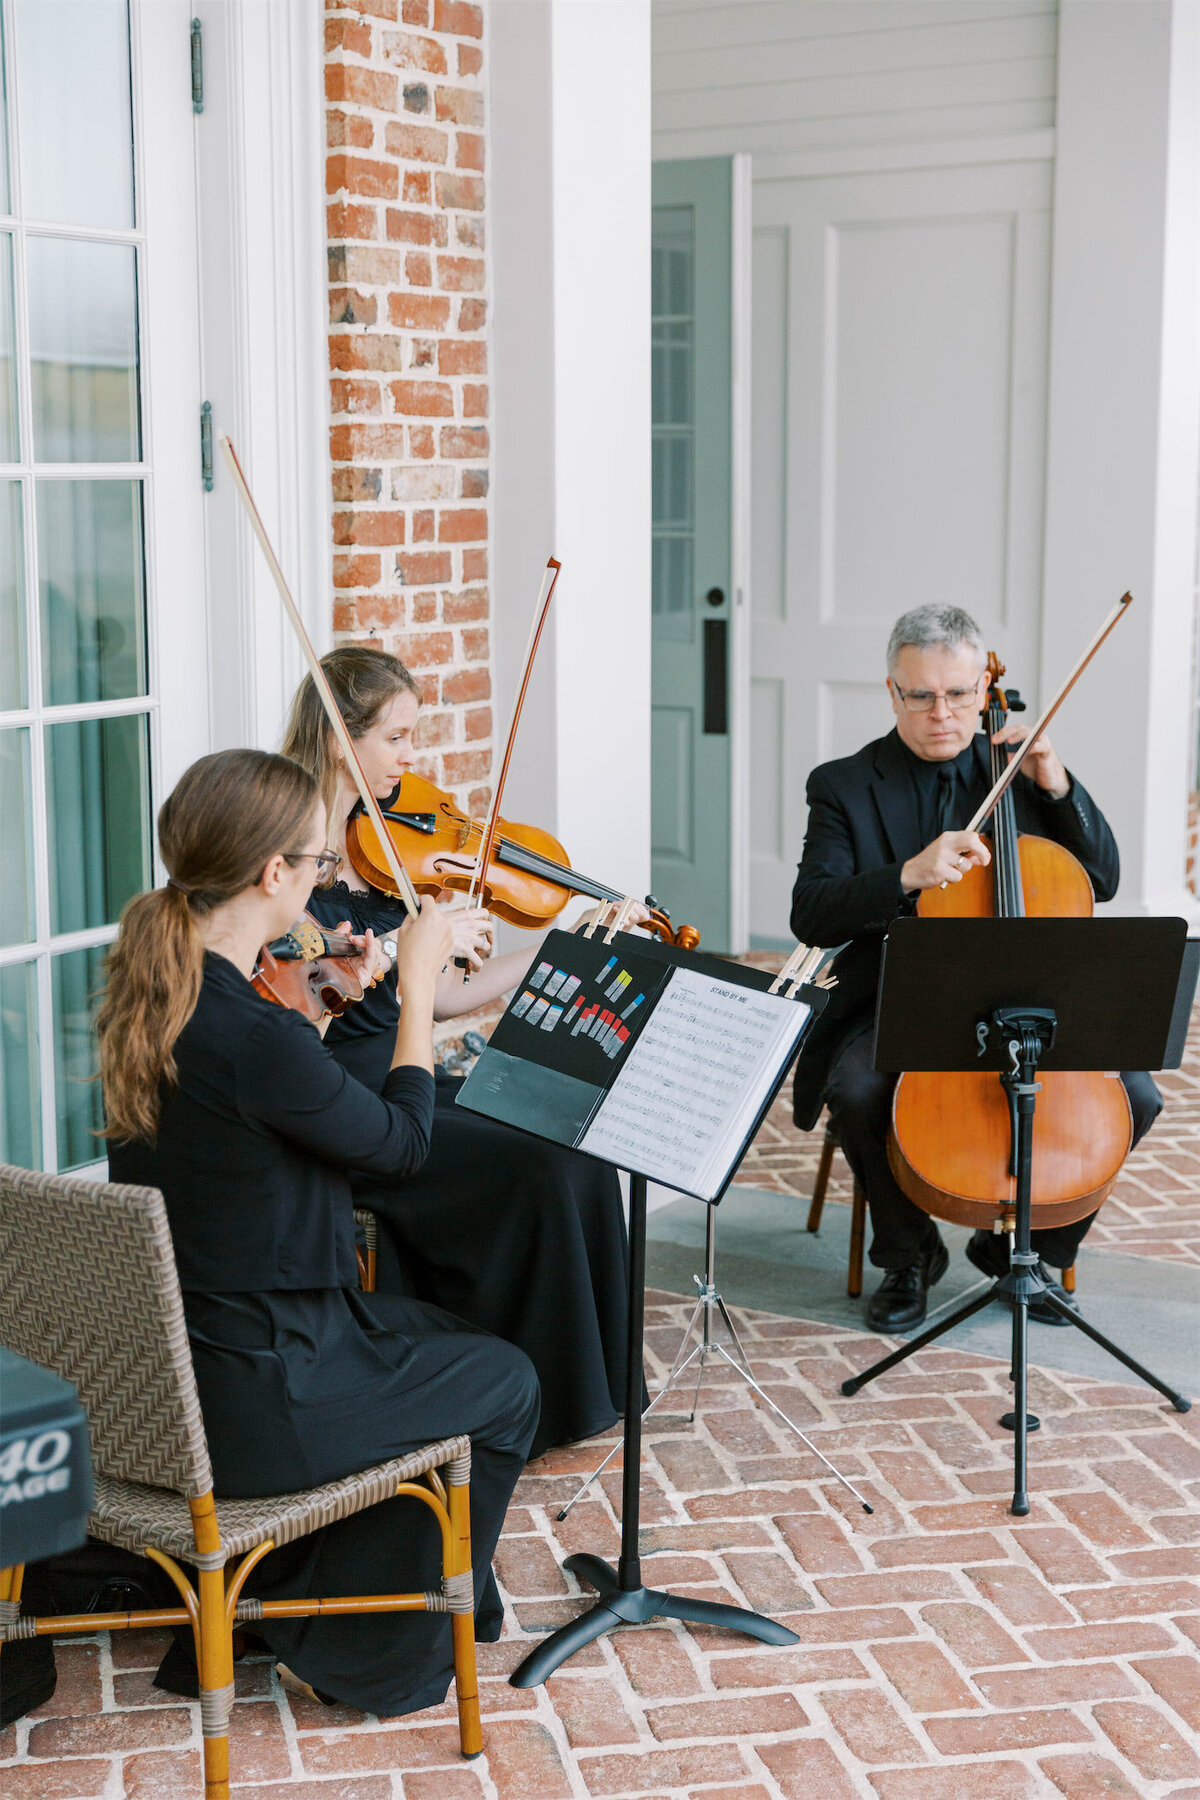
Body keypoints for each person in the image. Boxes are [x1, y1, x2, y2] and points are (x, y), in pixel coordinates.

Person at [98, 748, 539, 1715]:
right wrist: (416, 986)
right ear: (271, 877)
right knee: (507, 1384)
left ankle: (298, 1592)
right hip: (257, 1399)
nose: (326, 883)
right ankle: (366, 1644)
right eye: (315, 866)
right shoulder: (259, 1038)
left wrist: (334, 997)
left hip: (168, 1376)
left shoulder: (158, 989)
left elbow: (271, 1120)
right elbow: (402, 1148)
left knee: (445, 1338)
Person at [282, 646, 641, 1458]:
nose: (414, 760)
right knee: (537, 1169)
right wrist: (406, 958)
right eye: (398, 739)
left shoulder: (381, 837)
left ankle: (595, 1386)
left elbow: (440, 996)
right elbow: (312, 1011)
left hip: (407, 1074)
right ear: (344, 739)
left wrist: (564, 947)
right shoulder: (294, 851)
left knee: (574, 1142)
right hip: (352, 1102)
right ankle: (536, 1402)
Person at [791, 604, 1161, 1334]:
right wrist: (904, 876)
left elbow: (1104, 877)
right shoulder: (842, 785)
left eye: (960, 694)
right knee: (859, 1088)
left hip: (1030, 997)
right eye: (921, 695)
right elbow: (813, 911)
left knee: (1138, 1097)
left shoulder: (1019, 771)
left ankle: (1026, 1247)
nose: (942, 713)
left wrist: (1055, 779)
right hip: (904, 996)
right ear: (892, 692)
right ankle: (909, 1255)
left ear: (982, 691)